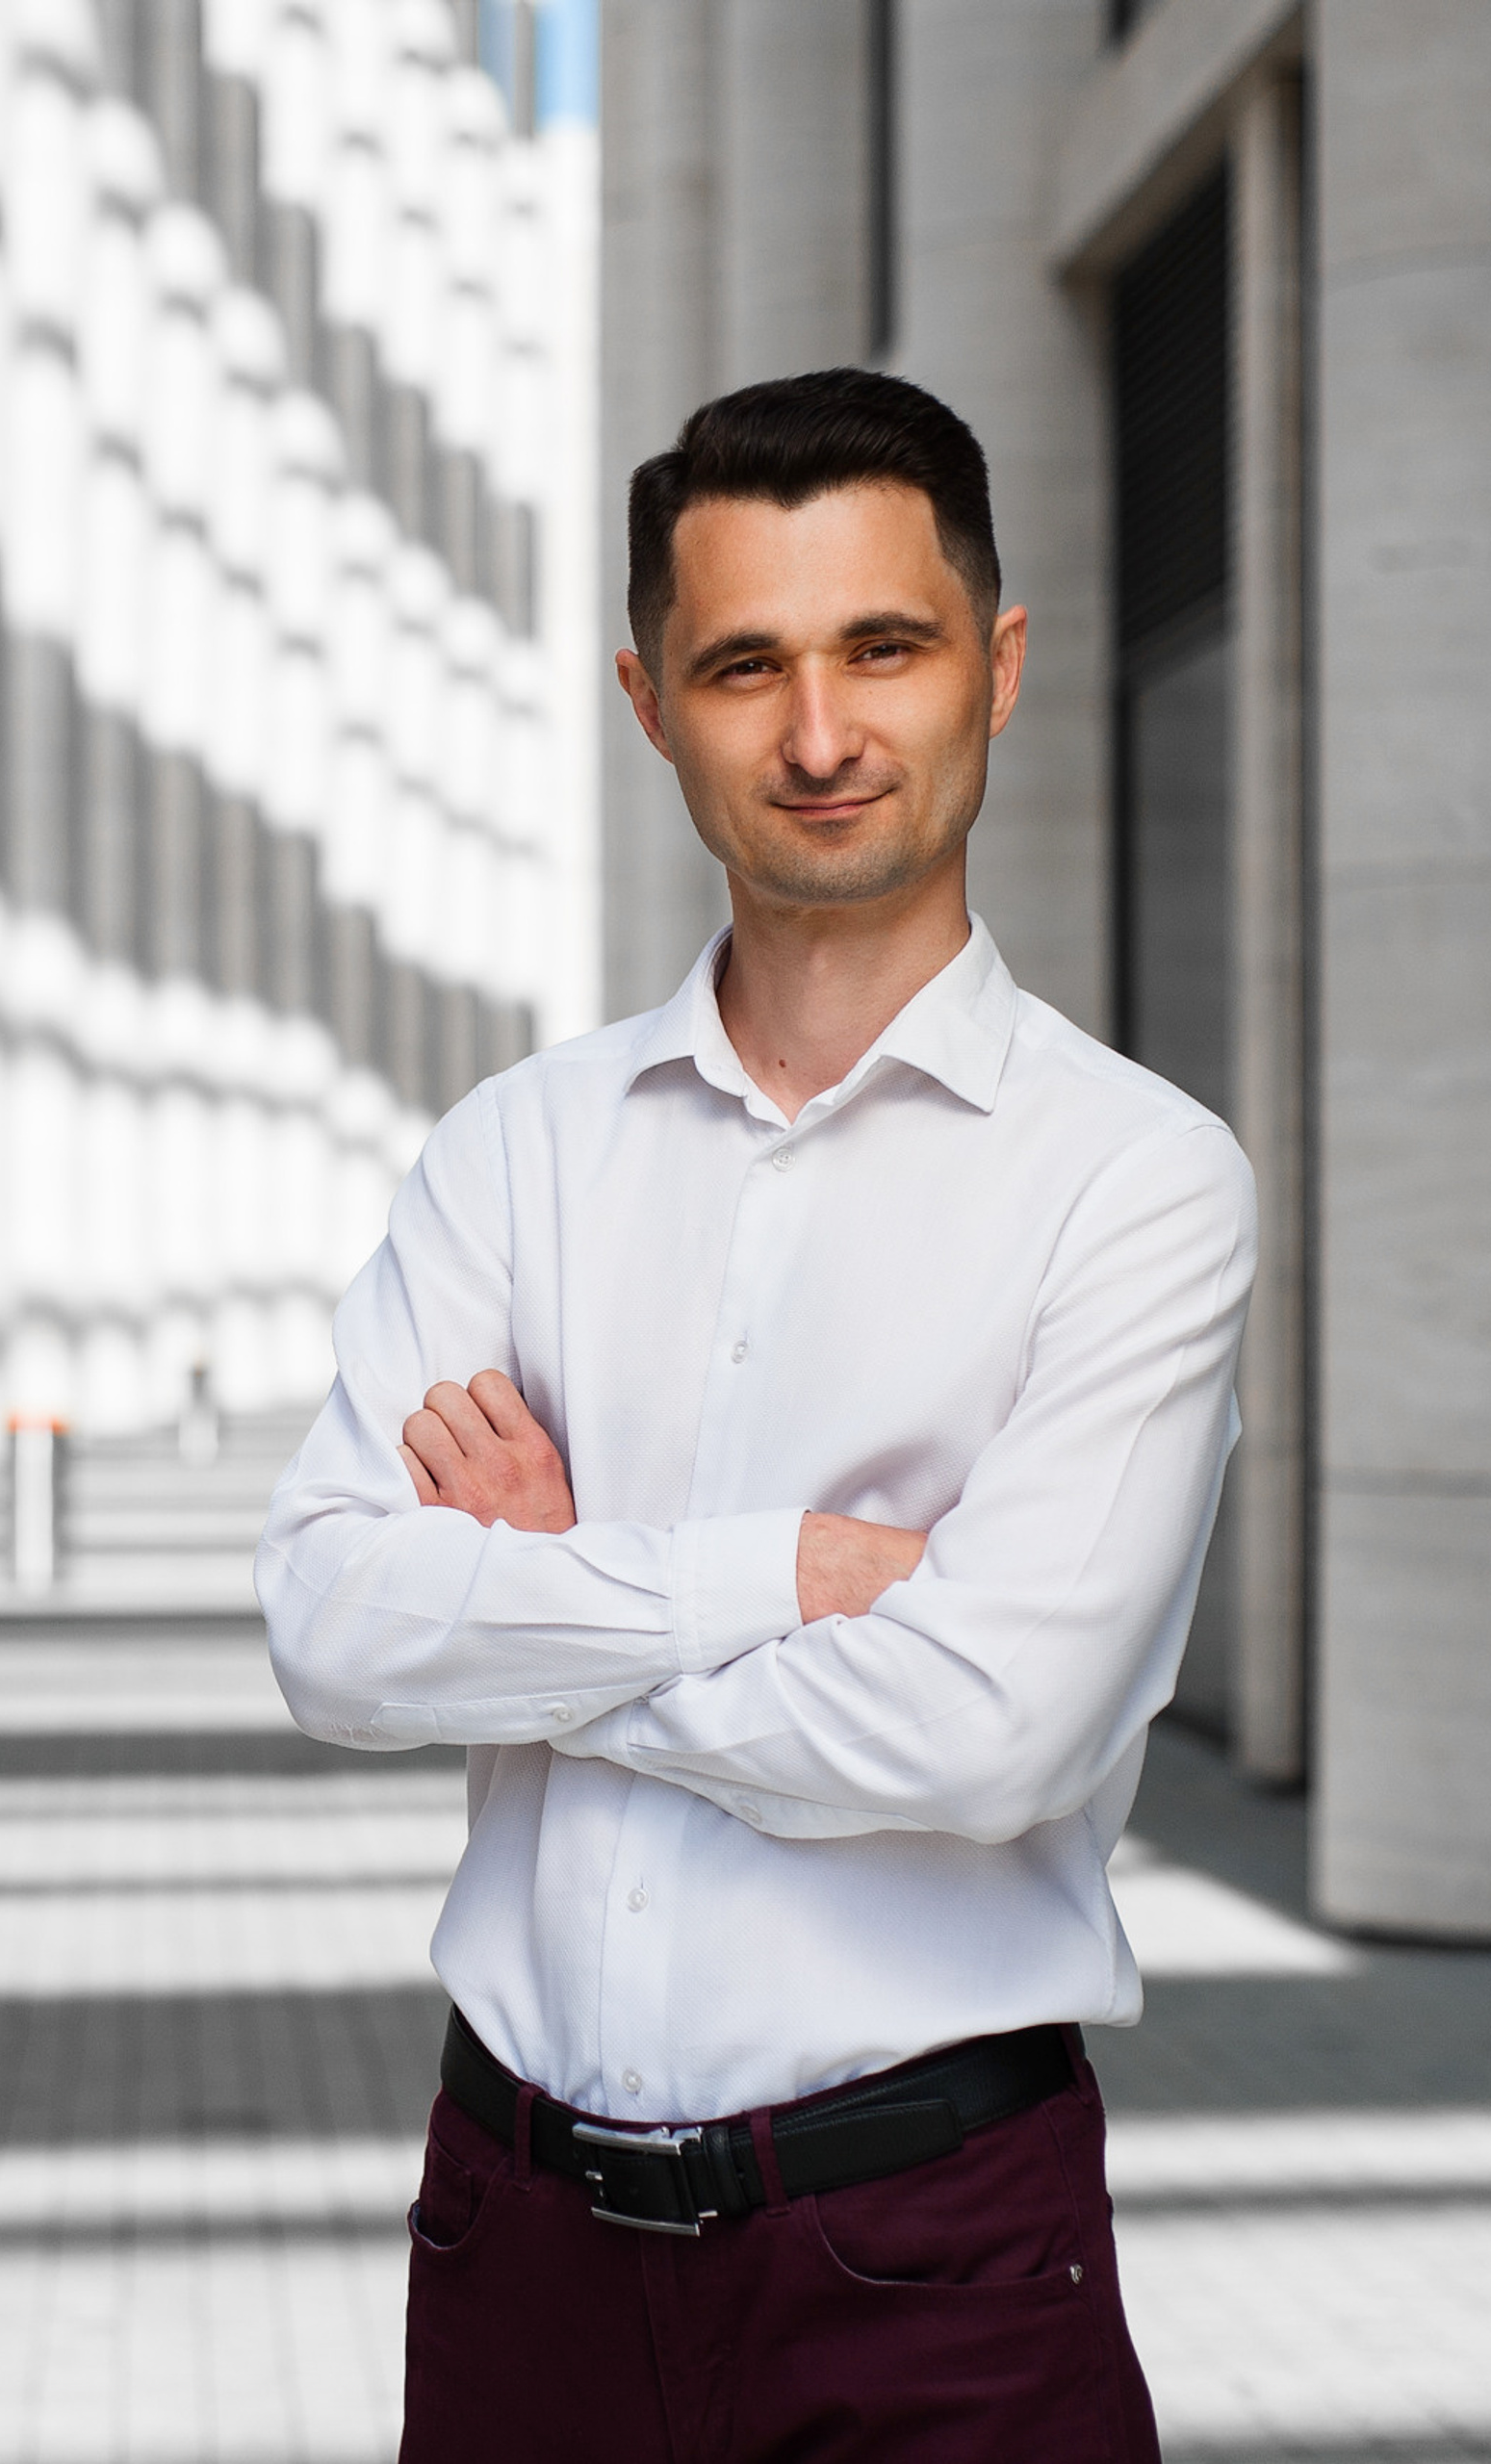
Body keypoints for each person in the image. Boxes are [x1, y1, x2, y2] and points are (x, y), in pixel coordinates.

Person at [258, 367, 1253, 2460]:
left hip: (933, 2263)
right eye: (743, 665)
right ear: (646, 700)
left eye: (879, 647)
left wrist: (534, 1607)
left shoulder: (1132, 1178)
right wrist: (774, 1578)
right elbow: (337, 1627)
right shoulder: (513, 1153)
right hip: (511, 2239)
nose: (817, 733)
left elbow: (986, 1733)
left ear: (991, 663)